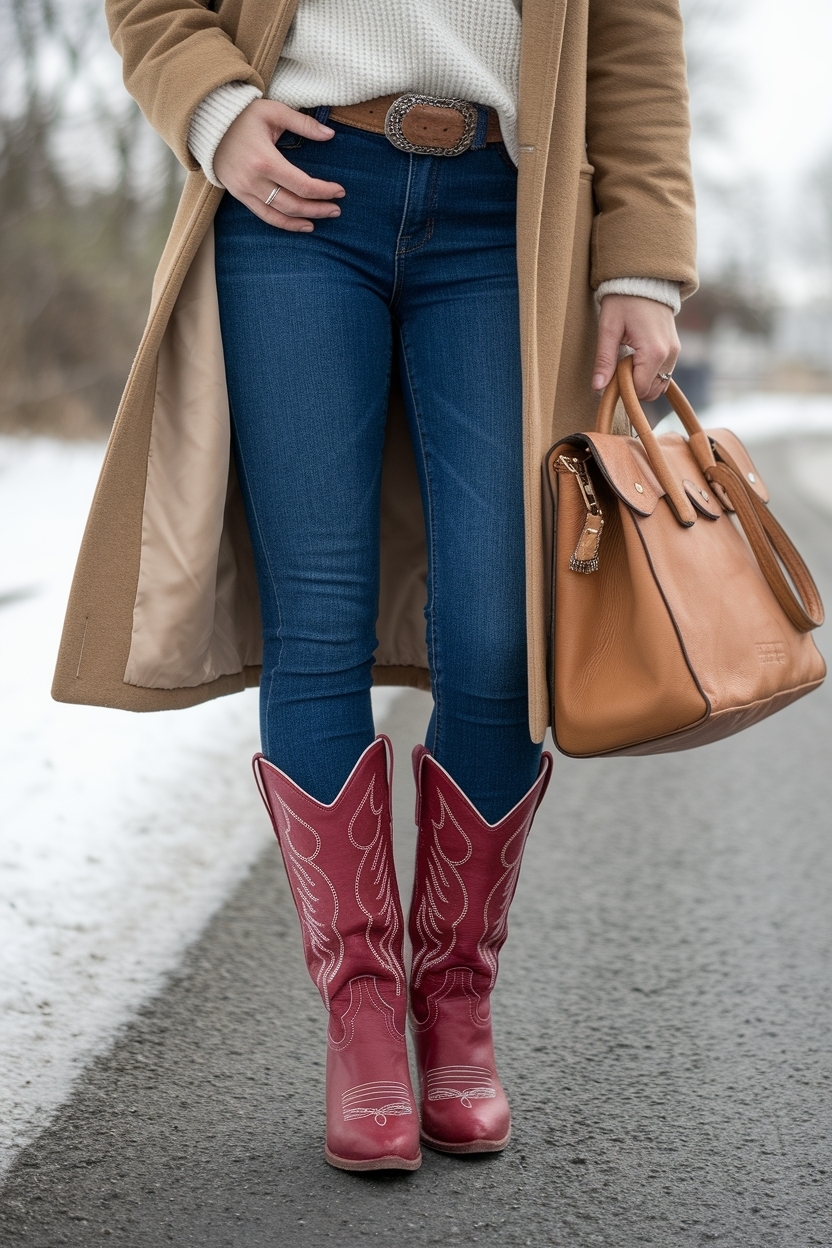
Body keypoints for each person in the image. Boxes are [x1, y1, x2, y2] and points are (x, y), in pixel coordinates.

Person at [54, 0, 696, 1172]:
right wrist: (214, 107)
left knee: (503, 633)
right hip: (294, 187)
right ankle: (362, 1023)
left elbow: (634, 37)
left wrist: (644, 256)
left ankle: (455, 1007)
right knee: (319, 617)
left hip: (510, 211)